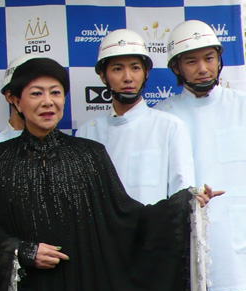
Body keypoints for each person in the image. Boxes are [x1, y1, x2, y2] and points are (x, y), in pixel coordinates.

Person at [0, 57, 220, 291]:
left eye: (56, 92)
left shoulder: (90, 155)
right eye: (36, 94)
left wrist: (184, 205)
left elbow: (127, 220)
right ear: (16, 101)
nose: (47, 102)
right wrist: (23, 251)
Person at [155, 19, 246, 291]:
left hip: (236, 257)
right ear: (176, 68)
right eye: (191, 61)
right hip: (182, 258)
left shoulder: (242, 107)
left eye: (209, 58)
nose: (203, 68)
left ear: (220, 60)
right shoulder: (162, 117)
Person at [76, 29, 195, 204]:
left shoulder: (170, 127)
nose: (128, 77)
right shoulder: (87, 133)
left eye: (135, 68)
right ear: (103, 76)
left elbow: (182, 197)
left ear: (146, 73)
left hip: (156, 223)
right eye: (117, 69)